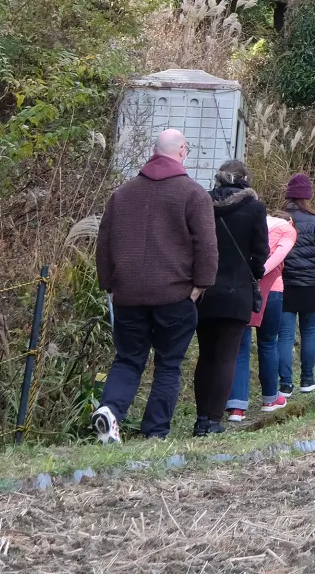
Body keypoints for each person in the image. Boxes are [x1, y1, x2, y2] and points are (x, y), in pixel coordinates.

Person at [92, 128, 216, 442]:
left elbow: (104, 242)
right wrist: (200, 285)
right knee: (168, 364)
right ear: (183, 150)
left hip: (127, 295)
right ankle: (155, 432)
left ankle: (110, 411)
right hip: (175, 294)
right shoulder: (193, 194)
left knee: (128, 359)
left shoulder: (122, 193)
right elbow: (206, 245)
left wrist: (108, 282)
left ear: (154, 151)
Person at [195, 160, 270, 434]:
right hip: (237, 289)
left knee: (206, 355)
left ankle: (200, 416)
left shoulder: (202, 203)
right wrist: (254, 272)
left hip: (203, 290)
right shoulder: (255, 208)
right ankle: (213, 420)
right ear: (245, 179)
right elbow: (261, 251)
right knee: (227, 356)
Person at [228, 209, 297, 420]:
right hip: (273, 291)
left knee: (241, 347)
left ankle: (237, 407)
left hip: (244, 290)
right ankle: (270, 398)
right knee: (268, 343)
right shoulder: (287, 230)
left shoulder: (247, 222)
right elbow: (278, 256)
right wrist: (260, 271)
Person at [279, 173, 315, 393]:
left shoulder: (279, 220)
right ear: (307, 197)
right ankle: (307, 379)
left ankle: (285, 384)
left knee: (284, 335)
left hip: (284, 286)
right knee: (309, 332)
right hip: (311, 287)